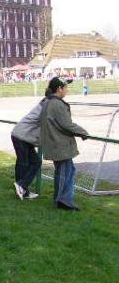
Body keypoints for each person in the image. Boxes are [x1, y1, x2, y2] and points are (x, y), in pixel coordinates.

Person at [39, 77, 89, 210]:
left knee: (68, 170)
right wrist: (83, 132)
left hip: (56, 144)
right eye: (65, 87)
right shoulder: (56, 104)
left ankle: (64, 199)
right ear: (59, 89)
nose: (67, 90)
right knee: (64, 173)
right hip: (59, 145)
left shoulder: (47, 101)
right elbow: (66, 124)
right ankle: (63, 201)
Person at [11, 94, 50, 200]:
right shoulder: (46, 106)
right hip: (21, 136)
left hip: (25, 137)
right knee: (23, 163)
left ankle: (22, 189)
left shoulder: (46, 104)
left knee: (35, 162)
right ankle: (22, 189)